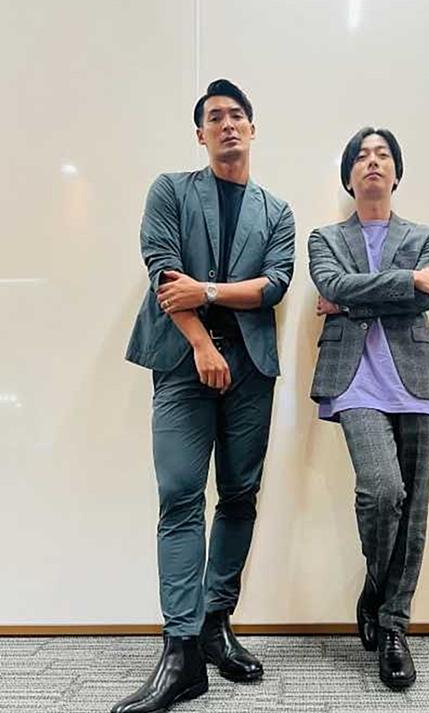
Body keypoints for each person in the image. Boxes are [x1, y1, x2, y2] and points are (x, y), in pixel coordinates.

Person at [112, 79, 295, 713]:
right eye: (215, 117)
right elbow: (164, 272)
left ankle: (217, 624)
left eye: (236, 115)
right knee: (180, 495)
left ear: (252, 128)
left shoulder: (276, 211)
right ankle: (182, 651)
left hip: (251, 369)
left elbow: (273, 285)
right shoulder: (169, 190)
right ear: (200, 134)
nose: (227, 124)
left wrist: (210, 292)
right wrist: (200, 341)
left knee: (240, 496)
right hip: (181, 362)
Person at [308, 126, 429, 691]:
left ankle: (392, 625)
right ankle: (376, 584)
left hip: (415, 379)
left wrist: (349, 298)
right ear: (349, 176)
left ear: (396, 172)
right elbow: (330, 281)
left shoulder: (425, 235)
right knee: (383, 491)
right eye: (362, 156)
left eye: (383, 155)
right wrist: (403, 280)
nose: (373, 162)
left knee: (414, 509)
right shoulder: (325, 237)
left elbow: (426, 295)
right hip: (354, 382)